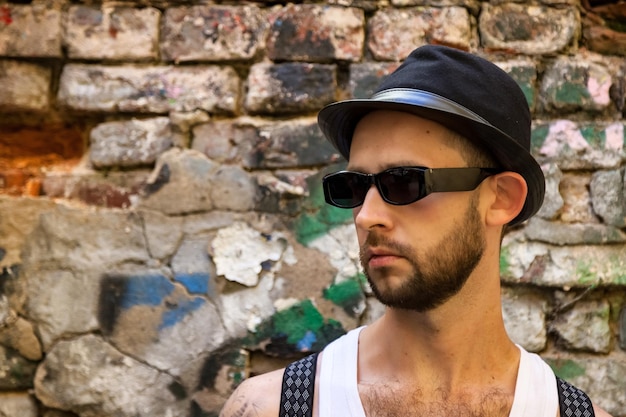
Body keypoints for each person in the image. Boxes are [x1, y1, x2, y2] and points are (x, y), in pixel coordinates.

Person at [220, 45, 612, 417]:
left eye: (404, 182)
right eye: (354, 187)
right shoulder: (274, 407)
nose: (366, 216)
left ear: (501, 199)